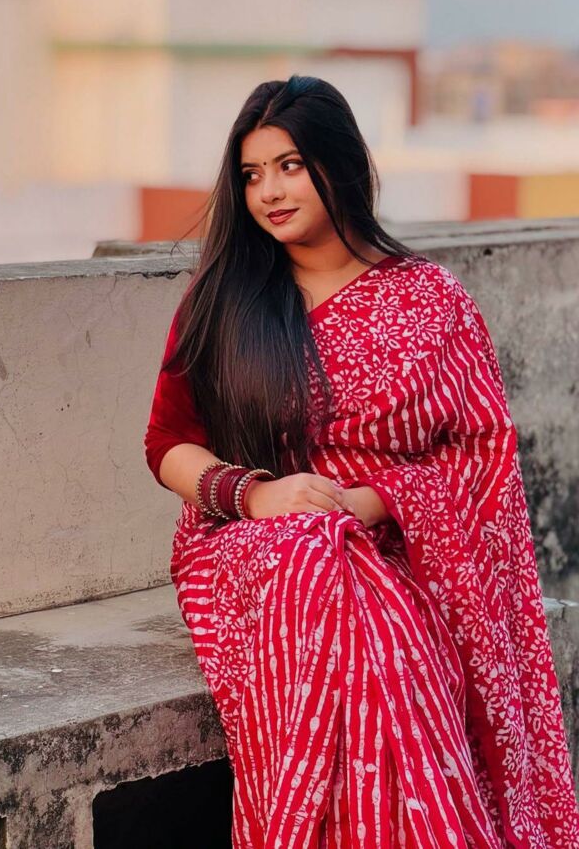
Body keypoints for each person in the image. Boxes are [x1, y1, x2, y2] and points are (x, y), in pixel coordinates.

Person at [143, 75, 579, 848]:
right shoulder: (224, 300)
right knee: (341, 592)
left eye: (289, 166)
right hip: (250, 540)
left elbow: (479, 453)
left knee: (385, 636)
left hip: (403, 541)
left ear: (339, 163)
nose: (269, 192)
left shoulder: (431, 300)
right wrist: (258, 496)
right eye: (252, 174)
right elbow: (167, 443)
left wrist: (371, 503)